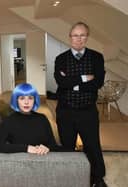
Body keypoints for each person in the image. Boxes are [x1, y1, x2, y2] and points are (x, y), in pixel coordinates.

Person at [54, 22, 107, 187]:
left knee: (92, 146)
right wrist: (84, 78)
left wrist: (72, 81)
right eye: (75, 35)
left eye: (82, 35)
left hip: (87, 112)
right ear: (70, 37)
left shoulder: (97, 57)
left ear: (87, 37)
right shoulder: (61, 58)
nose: (79, 39)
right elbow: (61, 82)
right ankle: (69, 178)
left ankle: (97, 179)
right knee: (67, 147)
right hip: (65, 112)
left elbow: (97, 83)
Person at [0, 83, 61, 154]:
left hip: (42, 160)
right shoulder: (8, 121)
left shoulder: (42, 119)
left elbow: (53, 146)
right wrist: (26, 148)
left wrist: (47, 148)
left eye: (30, 98)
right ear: (16, 100)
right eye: (22, 98)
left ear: (34, 100)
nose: (26, 102)